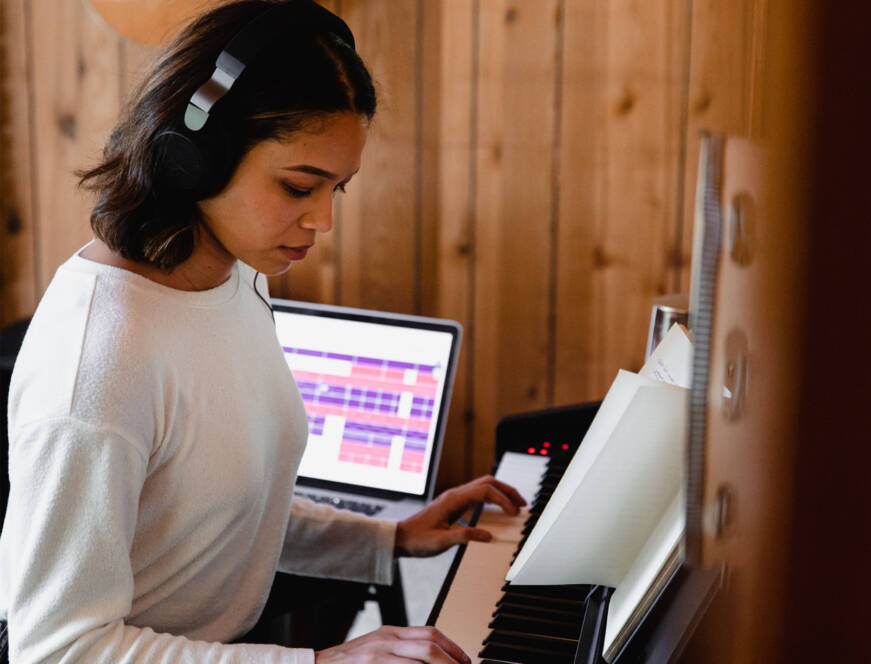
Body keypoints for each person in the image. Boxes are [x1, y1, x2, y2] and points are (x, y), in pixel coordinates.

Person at [0, 2, 526, 662]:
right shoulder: (102, 364)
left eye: (339, 188)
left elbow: (222, 504)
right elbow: (57, 649)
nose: (323, 222)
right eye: (299, 186)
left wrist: (384, 539)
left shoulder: (233, 276)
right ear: (192, 158)